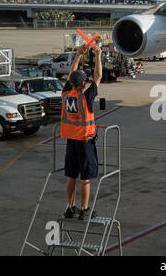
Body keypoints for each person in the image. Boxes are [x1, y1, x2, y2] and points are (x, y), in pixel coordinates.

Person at [61, 45, 102, 220]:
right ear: (83, 84)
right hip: (85, 142)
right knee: (86, 178)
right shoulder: (85, 97)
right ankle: (85, 210)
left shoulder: (66, 94)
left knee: (71, 176)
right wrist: (98, 56)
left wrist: (77, 55)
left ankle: (71, 207)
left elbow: (72, 74)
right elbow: (98, 76)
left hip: (71, 142)